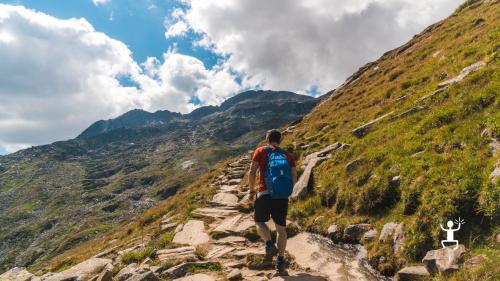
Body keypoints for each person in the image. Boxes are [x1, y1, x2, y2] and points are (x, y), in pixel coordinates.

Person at [248, 129, 297, 275]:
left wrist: (251, 191)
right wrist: (288, 191)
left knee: (259, 221)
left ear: (267, 139)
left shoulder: (261, 150)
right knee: (281, 230)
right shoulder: (287, 155)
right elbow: (294, 175)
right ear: (280, 140)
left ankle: (269, 245)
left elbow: (252, 171)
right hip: (282, 196)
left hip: (264, 192)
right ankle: (280, 263)